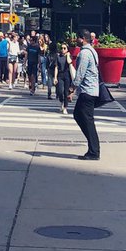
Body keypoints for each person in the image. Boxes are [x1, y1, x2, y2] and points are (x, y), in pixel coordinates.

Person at [72, 29, 101, 159]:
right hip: (90, 90)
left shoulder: (84, 53)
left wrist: (72, 89)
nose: (76, 40)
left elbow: (80, 73)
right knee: (79, 115)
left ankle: (94, 151)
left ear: (82, 38)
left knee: (87, 120)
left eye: (77, 38)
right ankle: (93, 148)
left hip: (87, 91)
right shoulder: (93, 51)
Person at [53, 42, 74, 115]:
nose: (62, 49)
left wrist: (68, 55)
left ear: (67, 49)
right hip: (60, 75)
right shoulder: (58, 56)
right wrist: (55, 77)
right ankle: (61, 101)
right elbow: (56, 67)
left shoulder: (69, 56)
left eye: (64, 48)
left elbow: (69, 62)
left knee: (66, 92)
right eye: (61, 48)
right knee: (60, 91)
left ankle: (65, 107)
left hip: (67, 75)